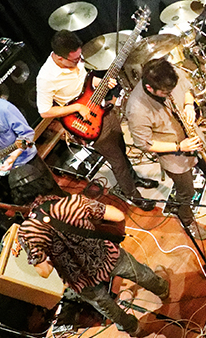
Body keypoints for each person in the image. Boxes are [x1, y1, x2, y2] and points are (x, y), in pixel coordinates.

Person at [36, 29, 158, 211]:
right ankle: (132, 195)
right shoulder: (46, 78)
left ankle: (134, 179)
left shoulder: (75, 60)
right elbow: (45, 111)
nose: (79, 61)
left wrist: (101, 83)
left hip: (102, 109)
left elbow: (86, 81)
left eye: (79, 57)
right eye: (74, 60)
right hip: (84, 121)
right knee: (117, 160)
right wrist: (77, 108)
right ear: (60, 58)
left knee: (121, 147)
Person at [126, 58, 206, 240]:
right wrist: (179, 146)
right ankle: (187, 219)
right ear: (150, 88)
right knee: (186, 191)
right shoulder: (137, 109)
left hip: (193, 135)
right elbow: (145, 144)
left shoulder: (170, 73)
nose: (171, 94)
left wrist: (189, 105)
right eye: (166, 93)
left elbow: (188, 90)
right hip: (172, 152)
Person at [17, 194, 170, 338]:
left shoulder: (27, 233)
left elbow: (44, 271)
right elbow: (118, 216)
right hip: (105, 254)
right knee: (137, 272)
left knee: (105, 304)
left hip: (78, 277)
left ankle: (132, 327)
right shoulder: (72, 202)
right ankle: (161, 289)